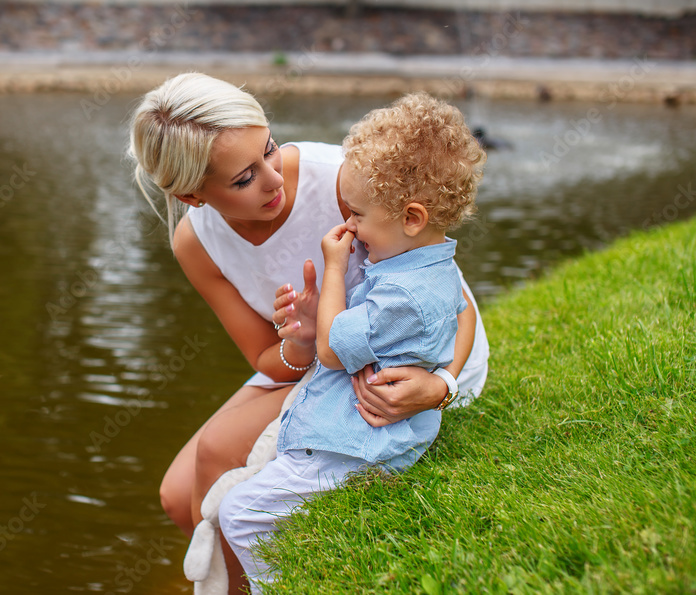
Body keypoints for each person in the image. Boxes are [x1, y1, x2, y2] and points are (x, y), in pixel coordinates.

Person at [127, 73, 489, 591]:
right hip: (327, 356)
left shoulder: (345, 184)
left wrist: (442, 387)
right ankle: (250, 567)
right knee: (175, 495)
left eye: (269, 149)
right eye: (243, 179)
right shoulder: (195, 243)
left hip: (415, 364)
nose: (274, 179)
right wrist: (298, 339)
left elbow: (451, 299)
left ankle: (237, 580)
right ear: (192, 195)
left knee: (213, 456)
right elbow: (266, 358)